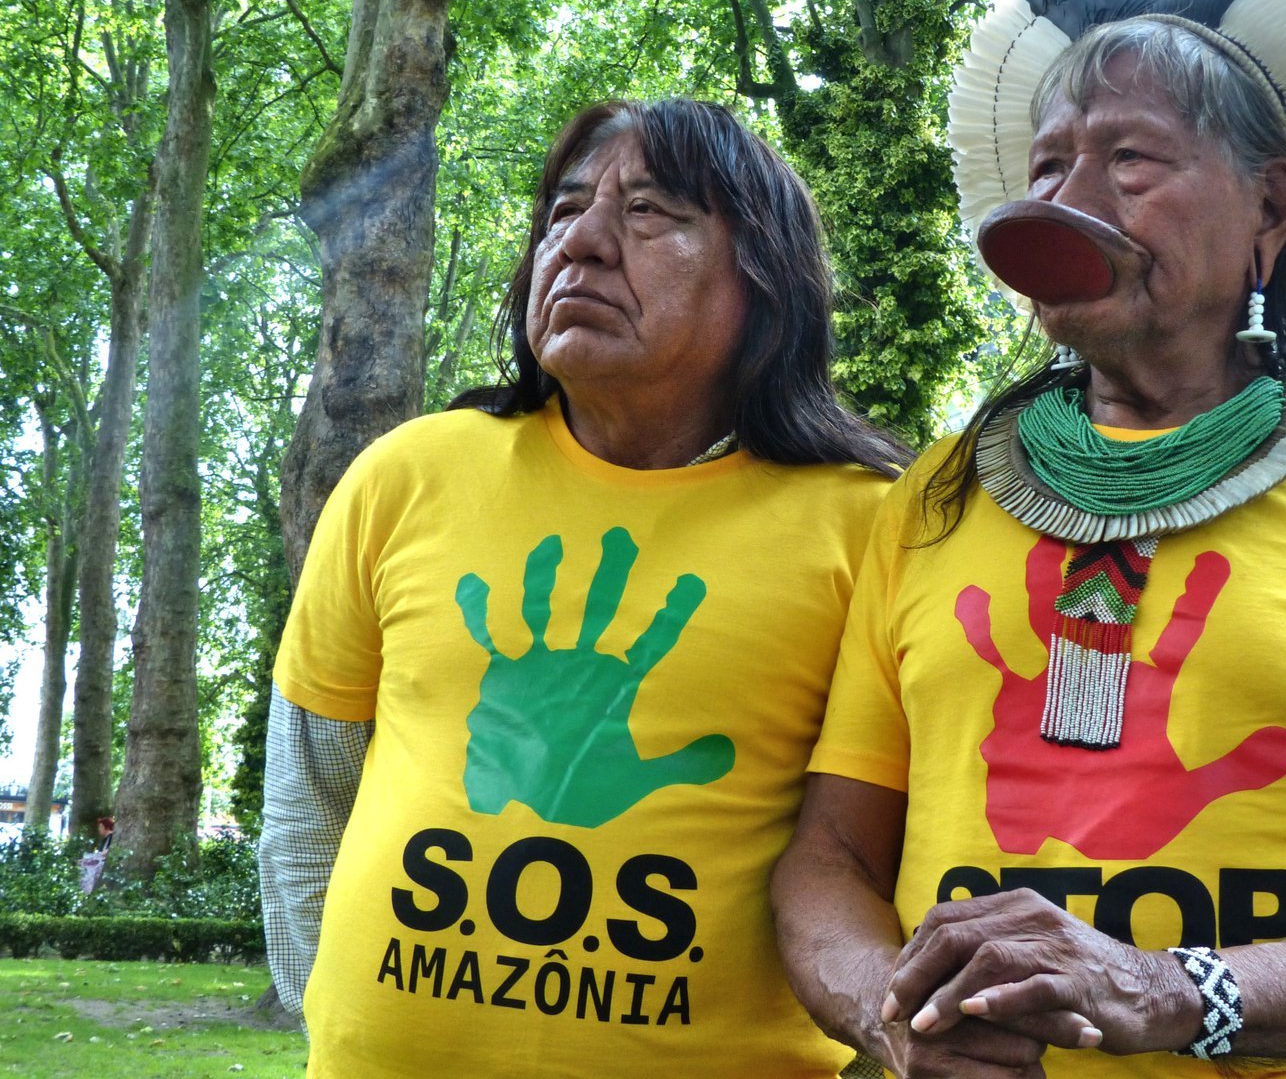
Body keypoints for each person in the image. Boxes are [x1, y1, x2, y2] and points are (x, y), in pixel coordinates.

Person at [772, 0, 1286, 1079]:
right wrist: (890, 1016)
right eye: (1047, 166)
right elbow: (827, 862)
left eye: (1130, 158)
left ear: (1268, 207)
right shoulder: (936, 498)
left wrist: (1168, 991)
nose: (1067, 198)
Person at [260, 97, 907, 1077]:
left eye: (649, 213)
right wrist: (345, 1027)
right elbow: (308, 803)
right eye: (564, 210)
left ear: (763, 278)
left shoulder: (871, 530)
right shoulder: (408, 474)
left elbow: (876, 864)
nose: (583, 242)